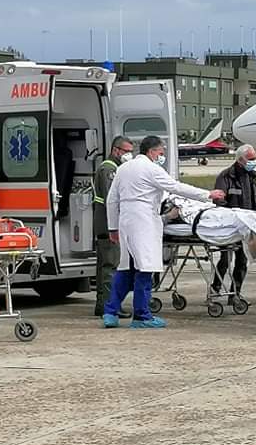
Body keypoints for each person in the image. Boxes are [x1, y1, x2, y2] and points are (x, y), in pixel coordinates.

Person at [104, 135, 223, 329]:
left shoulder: (123, 169)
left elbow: (111, 200)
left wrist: (112, 227)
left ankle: (110, 312)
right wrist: (207, 194)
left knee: (126, 268)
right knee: (145, 268)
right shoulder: (151, 169)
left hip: (126, 221)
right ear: (151, 151)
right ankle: (142, 316)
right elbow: (176, 187)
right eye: (161, 152)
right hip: (144, 222)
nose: (162, 156)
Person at [212, 144, 256, 303]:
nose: (254, 161)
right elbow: (219, 200)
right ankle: (216, 287)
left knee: (242, 261)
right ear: (241, 159)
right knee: (225, 259)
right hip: (230, 226)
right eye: (251, 159)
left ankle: (235, 293)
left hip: (248, 227)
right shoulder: (226, 177)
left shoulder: (252, 177)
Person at [93, 136, 134, 318]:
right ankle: (110, 306)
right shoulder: (109, 170)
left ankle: (103, 305)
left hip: (105, 224)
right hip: (108, 225)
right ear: (116, 150)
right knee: (110, 267)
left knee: (106, 267)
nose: (129, 155)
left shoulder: (113, 168)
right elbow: (113, 199)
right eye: (126, 151)